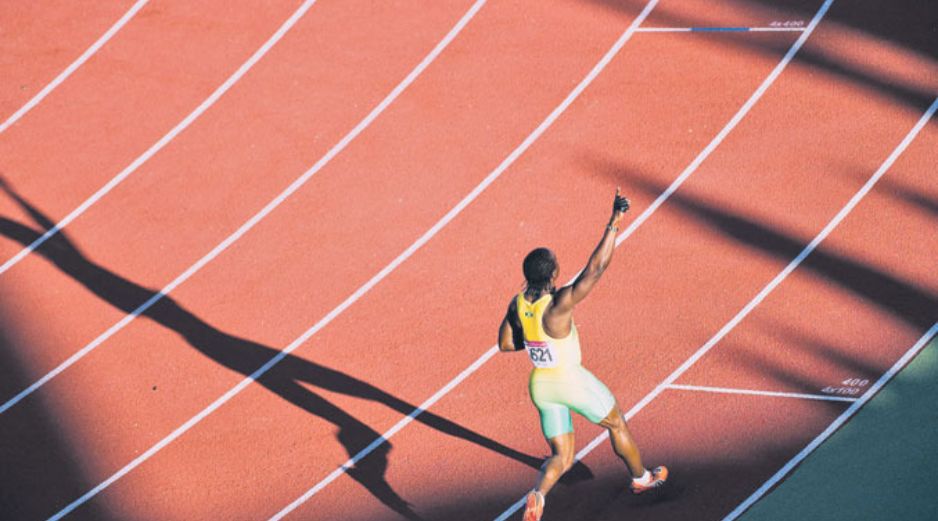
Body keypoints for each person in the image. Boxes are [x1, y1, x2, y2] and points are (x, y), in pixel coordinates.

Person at [498, 188, 668, 521]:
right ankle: (642, 479)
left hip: (541, 387)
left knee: (561, 456)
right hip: (570, 380)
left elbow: (505, 344)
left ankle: (538, 494)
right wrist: (615, 222)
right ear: (552, 275)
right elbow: (595, 270)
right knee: (616, 422)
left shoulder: (516, 305)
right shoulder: (558, 306)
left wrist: (534, 342)